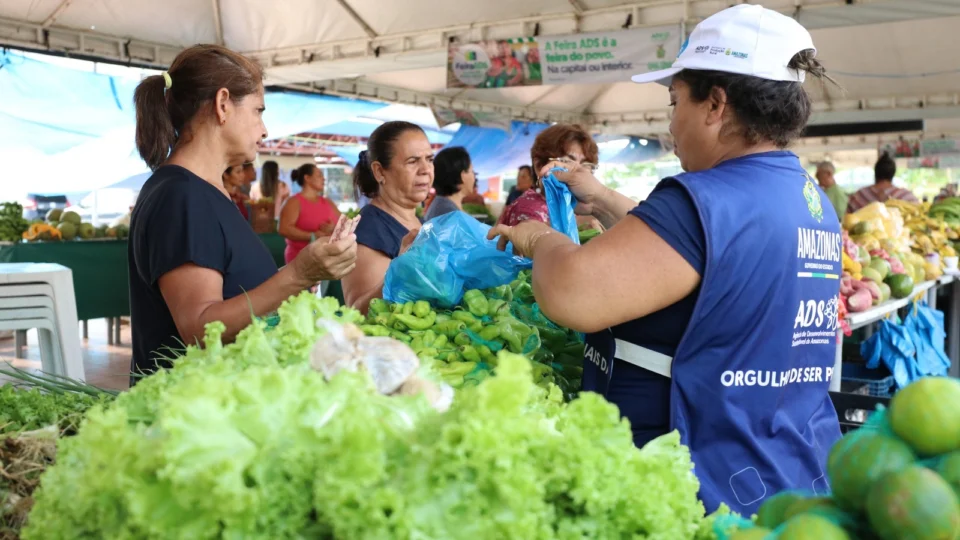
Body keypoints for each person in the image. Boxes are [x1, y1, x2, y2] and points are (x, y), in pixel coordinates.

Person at [487, 4, 842, 516]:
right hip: (784, 466)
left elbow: (573, 293)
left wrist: (539, 238)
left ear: (716, 104)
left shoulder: (706, 197)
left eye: (675, 101)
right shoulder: (806, 199)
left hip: (701, 482)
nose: (671, 122)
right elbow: (702, 253)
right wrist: (605, 197)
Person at [128, 44, 357, 379]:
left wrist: (298, 278)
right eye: (258, 111)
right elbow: (199, 327)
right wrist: (297, 275)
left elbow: (234, 285)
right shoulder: (181, 195)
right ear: (223, 105)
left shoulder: (205, 191)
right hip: (191, 410)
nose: (264, 130)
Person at [342, 121, 433, 313]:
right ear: (380, 171)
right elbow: (359, 311)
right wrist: (401, 271)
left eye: (429, 159)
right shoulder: (368, 230)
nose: (426, 169)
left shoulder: (420, 222)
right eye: (413, 161)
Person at [498, 124, 603, 231]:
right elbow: (531, 238)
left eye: (586, 165)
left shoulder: (578, 208)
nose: (578, 172)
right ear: (539, 166)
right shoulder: (527, 207)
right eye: (567, 161)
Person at [279, 163, 341, 265]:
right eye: (319, 175)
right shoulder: (294, 202)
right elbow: (284, 229)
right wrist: (312, 236)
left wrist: (333, 228)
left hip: (327, 260)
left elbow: (345, 224)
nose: (323, 179)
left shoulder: (328, 202)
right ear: (307, 178)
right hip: (300, 259)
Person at [847, 153, 918, 213]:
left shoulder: (859, 196)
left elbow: (847, 221)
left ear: (875, 173)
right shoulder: (906, 196)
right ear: (893, 174)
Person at [424, 146, 476, 221]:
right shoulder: (449, 214)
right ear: (463, 176)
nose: (474, 176)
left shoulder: (442, 206)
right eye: (472, 171)